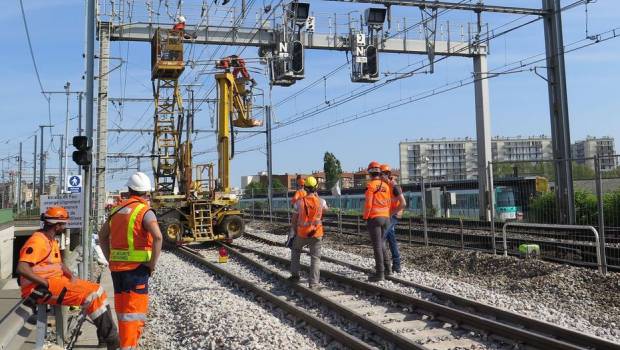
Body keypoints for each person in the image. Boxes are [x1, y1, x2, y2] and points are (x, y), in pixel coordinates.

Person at [17, 207, 119, 349]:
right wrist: (45, 283)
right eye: (64, 224)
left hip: (54, 282)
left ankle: (104, 337)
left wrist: (71, 276)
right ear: (57, 225)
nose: (65, 227)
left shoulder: (50, 240)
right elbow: (22, 268)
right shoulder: (38, 241)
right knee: (92, 296)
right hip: (38, 289)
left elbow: (58, 264)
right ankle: (112, 340)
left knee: (98, 289)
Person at [99, 172, 163, 350]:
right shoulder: (144, 211)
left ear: (129, 190)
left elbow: (102, 236)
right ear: (147, 193)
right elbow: (158, 238)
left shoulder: (117, 210)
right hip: (136, 272)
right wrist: (152, 264)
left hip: (117, 271)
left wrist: (110, 259)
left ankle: (127, 344)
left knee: (124, 314)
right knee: (133, 316)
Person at [288, 176, 328, 290]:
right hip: (316, 234)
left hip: (302, 233)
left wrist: (294, 232)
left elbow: (294, 220)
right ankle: (314, 284)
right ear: (316, 187)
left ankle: (295, 276)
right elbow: (326, 210)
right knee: (315, 258)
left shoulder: (299, 202)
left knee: (295, 252)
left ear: (305, 188)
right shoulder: (321, 201)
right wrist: (317, 196)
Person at [363, 161, 392, 282]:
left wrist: (365, 216)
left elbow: (368, 204)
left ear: (370, 173)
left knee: (377, 246)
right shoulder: (385, 185)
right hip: (386, 218)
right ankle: (388, 270)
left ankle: (380, 274)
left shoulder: (370, 186)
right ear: (379, 172)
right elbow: (389, 202)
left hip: (375, 218)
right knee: (382, 244)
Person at [380, 164, 407, 273]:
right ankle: (396, 265)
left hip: (394, 215)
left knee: (381, 238)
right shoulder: (386, 185)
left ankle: (383, 265)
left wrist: (391, 213)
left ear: (387, 174)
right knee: (391, 240)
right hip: (390, 215)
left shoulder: (394, 186)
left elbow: (403, 203)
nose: (379, 177)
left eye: (381, 175)